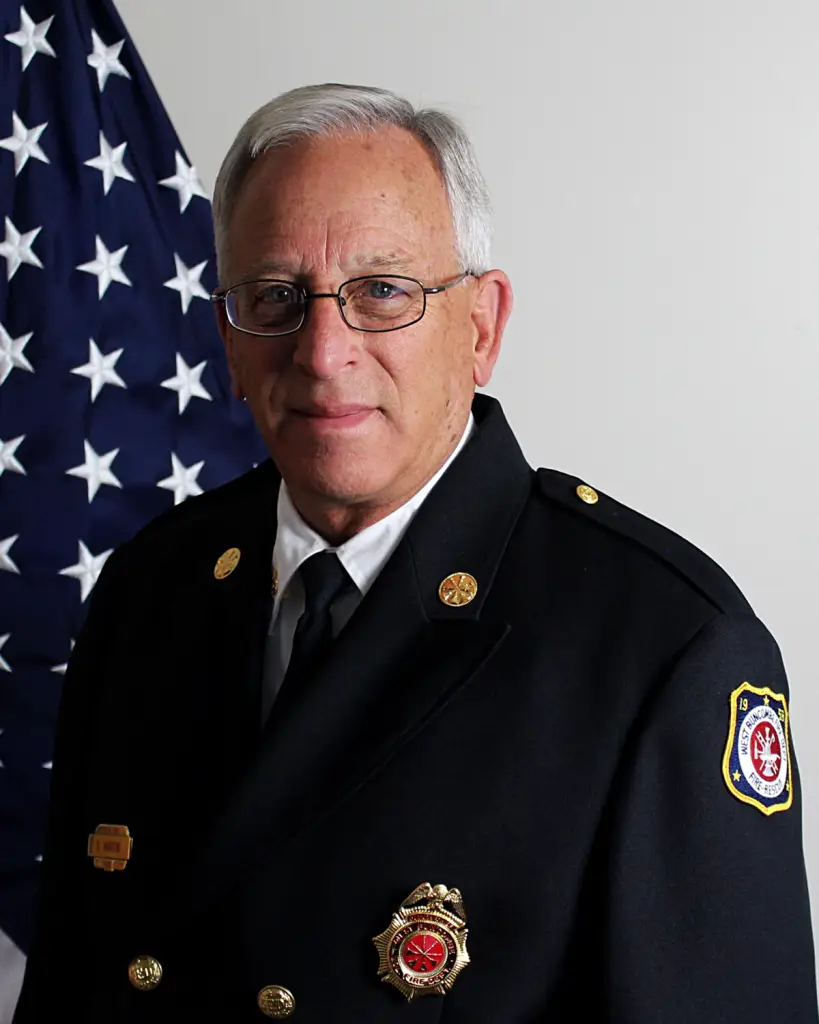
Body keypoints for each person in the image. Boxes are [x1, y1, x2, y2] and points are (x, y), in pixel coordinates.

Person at [14, 83, 817, 1023]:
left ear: (480, 327)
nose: (322, 352)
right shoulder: (151, 590)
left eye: (383, 291)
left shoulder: (660, 649)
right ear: (227, 339)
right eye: (274, 297)